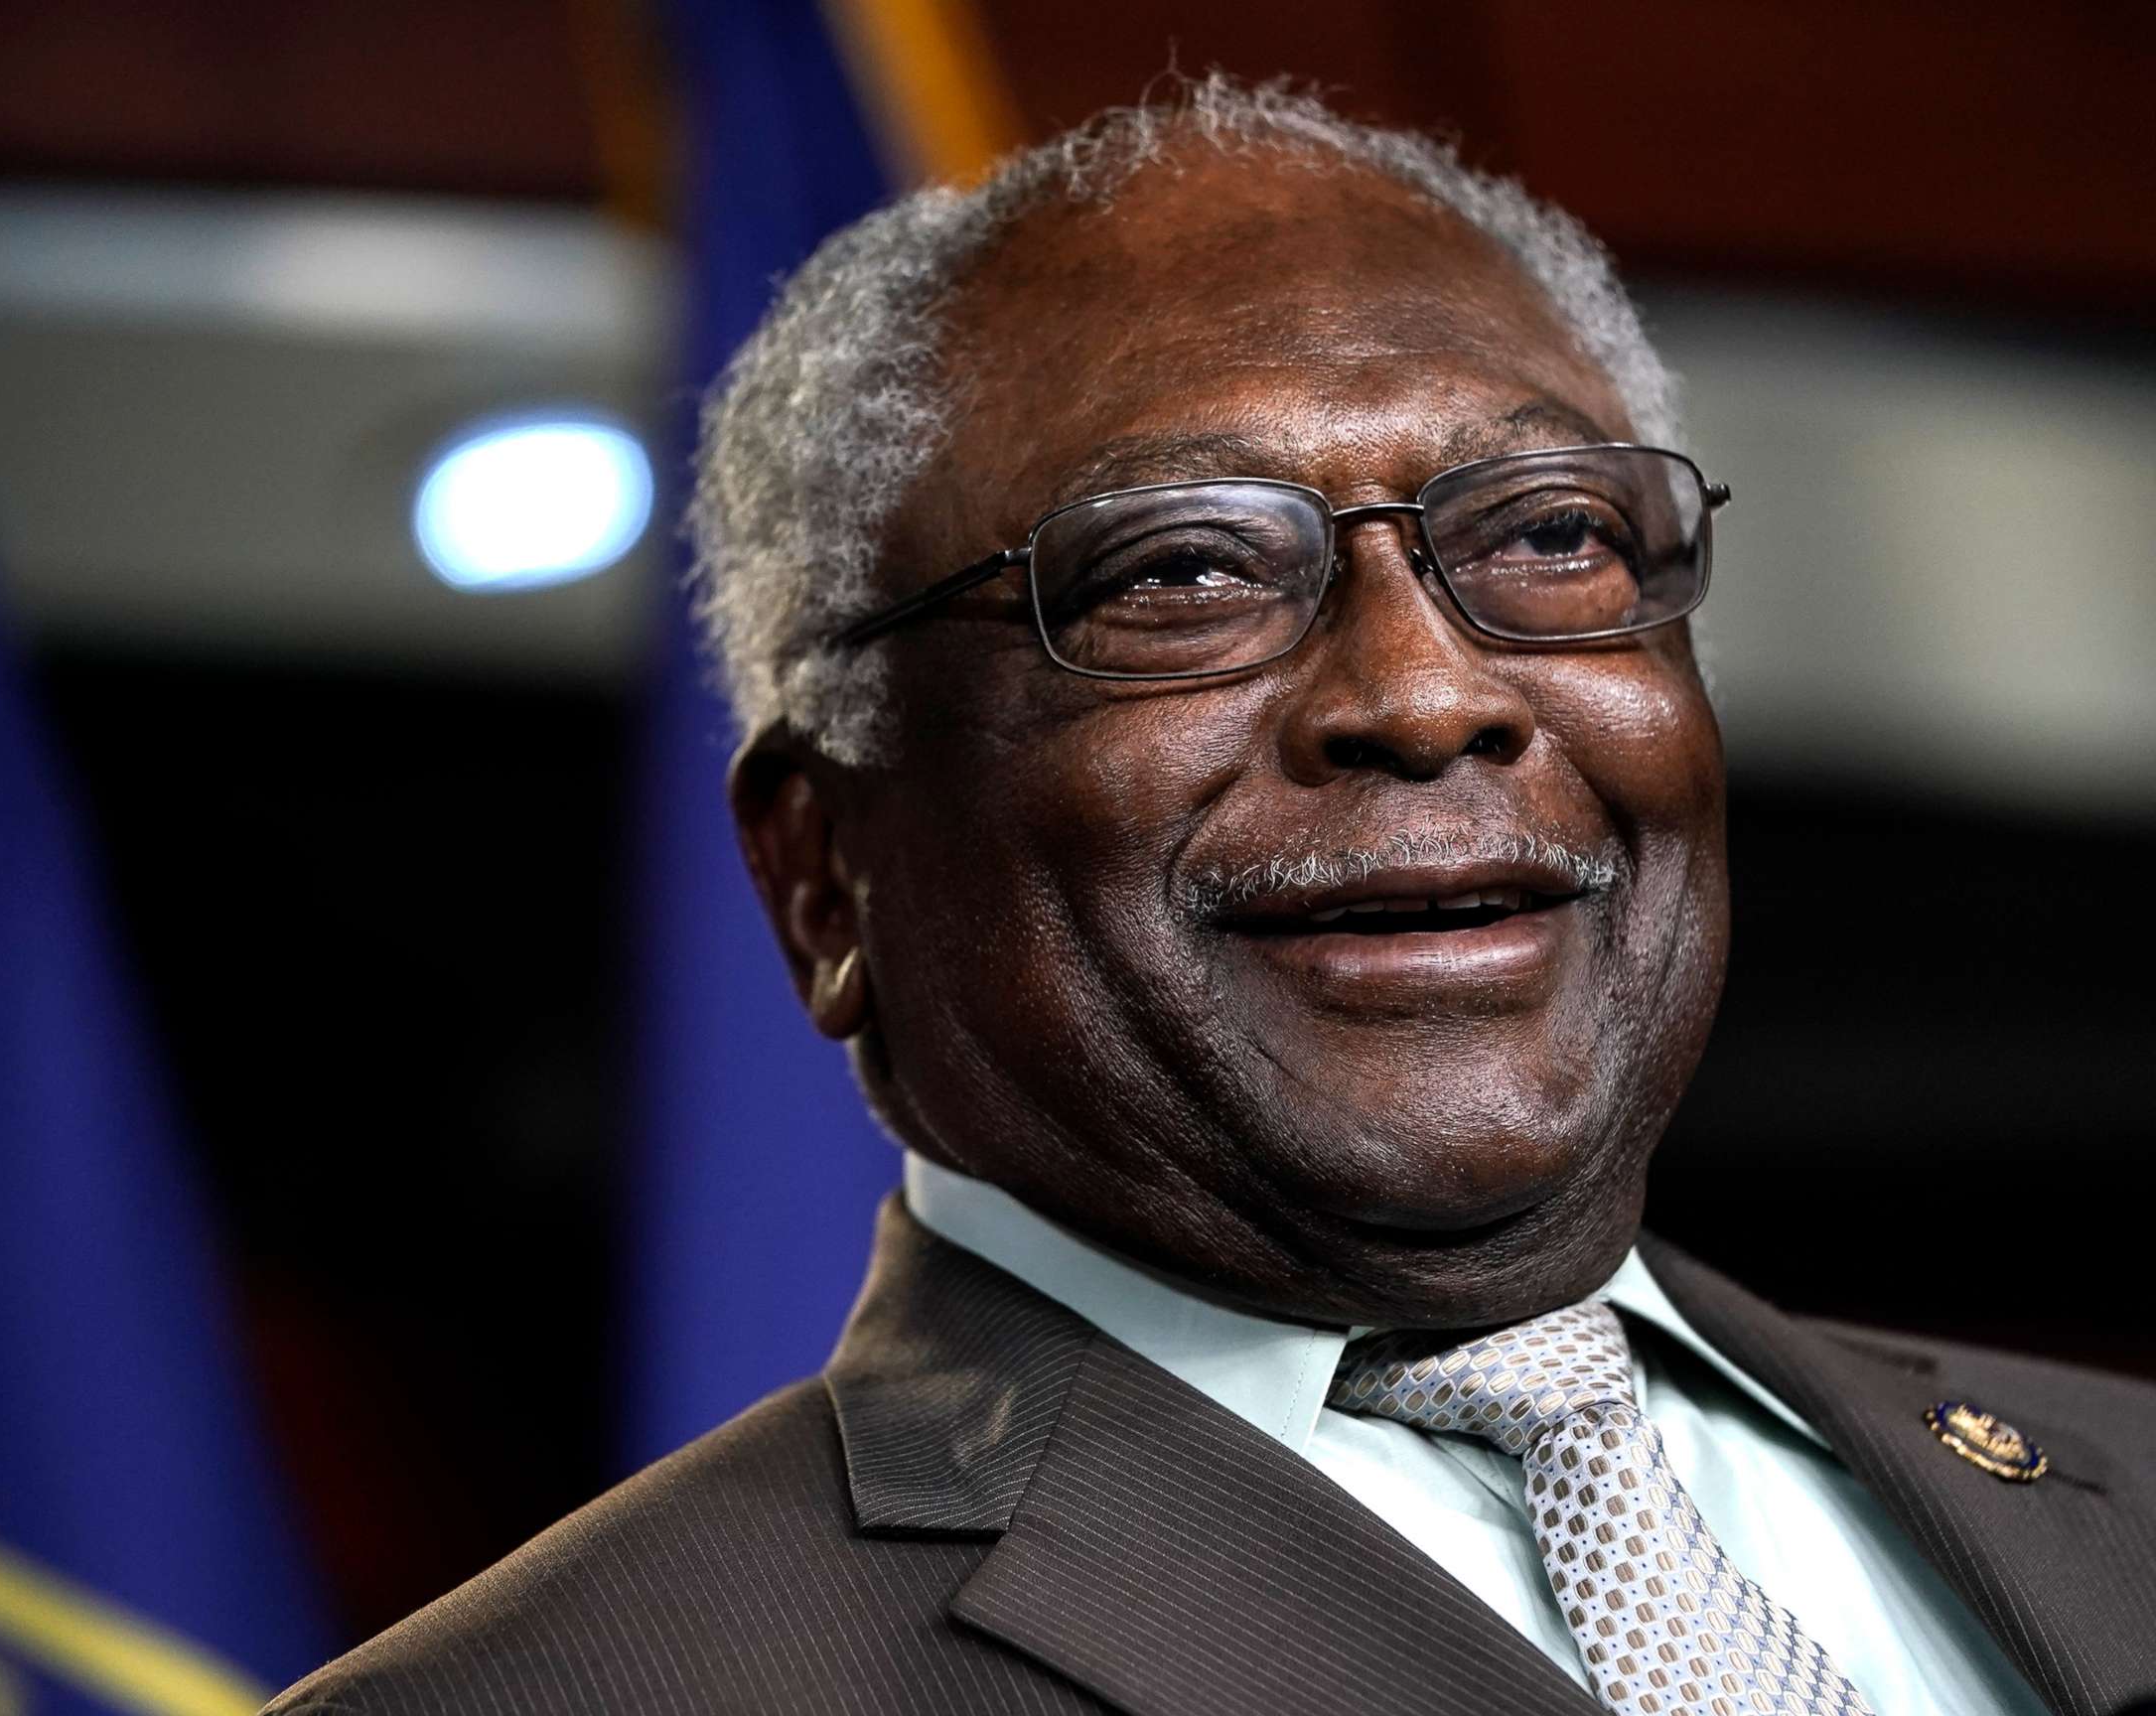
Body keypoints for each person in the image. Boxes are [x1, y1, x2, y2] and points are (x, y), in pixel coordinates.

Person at [267, 78, 2156, 1715]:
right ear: (822, 870)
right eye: (1182, 576)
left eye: (1550, 537)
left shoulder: (2126, 1496)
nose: (1427, 695)